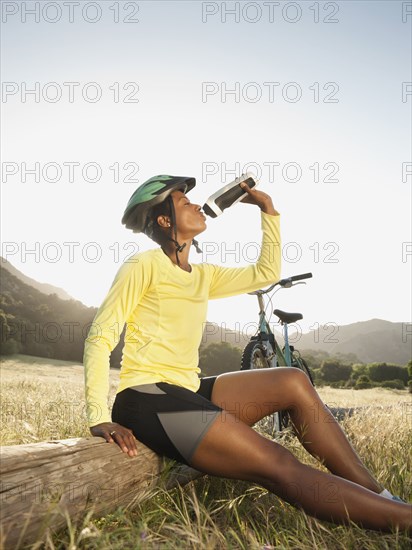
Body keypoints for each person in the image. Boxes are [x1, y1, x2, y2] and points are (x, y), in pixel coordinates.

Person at [83, 174, 411, 533]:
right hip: (146, 398)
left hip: (186, 390)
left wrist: (268, 212)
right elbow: (100, 336)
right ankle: (404, 521)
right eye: (182, 202)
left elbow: (265, 273)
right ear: (164, 220)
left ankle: (381, 497)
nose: (195, 204)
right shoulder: (142, 265)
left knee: (292, 380)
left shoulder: (201, 274)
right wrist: (100, 417)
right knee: (277, 462)